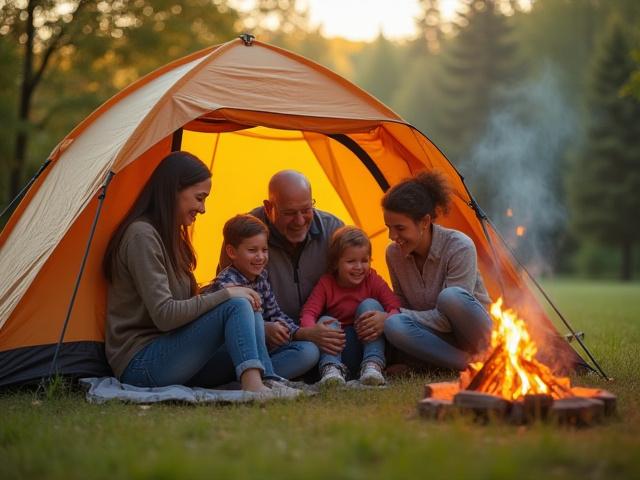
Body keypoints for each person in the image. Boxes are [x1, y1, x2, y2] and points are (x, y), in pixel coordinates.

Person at [103, 151, 298, 398]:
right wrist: (226, 294)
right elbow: (165, 315)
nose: (203, 209)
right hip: (142, 364)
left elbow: (186, 307)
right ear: (174, 190)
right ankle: (253, 387)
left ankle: (266, 379)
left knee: (252, 312)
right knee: (237, 303)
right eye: (199, 198)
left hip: (175, 351)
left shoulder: (173, 237)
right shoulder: (142, 236)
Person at [219, 170, 346, 361]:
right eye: (289, 213)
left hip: (323, 328)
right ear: (269, 207)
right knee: (306, 354)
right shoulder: (244, 235)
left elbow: (359, 280)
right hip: (269, 338)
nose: (300, 221)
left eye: (306, 210)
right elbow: (228, 303)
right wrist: (262, 327)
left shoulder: (333, 230)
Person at [381, 171, 493, 371]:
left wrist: (395, 313)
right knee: (393, 325)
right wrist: (388, 314)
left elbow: (448, 319)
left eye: (399, 228)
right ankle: (468, 365)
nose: (392, 236)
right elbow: (402, 304)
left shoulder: (459, 246)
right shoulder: (393, 254)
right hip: (440, 341)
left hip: (476, 335)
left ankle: (492, 357)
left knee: (451, 298)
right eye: (389, 227)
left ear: (424, 222)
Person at [206, 214, 319, 380]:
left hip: (261, 351)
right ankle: (265, 378)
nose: (260, 257)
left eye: (264, 250)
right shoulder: (225, 284)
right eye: (252, 250)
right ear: (231, 252)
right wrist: (265, 328)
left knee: (308, 351)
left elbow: (276, 313)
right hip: (229, 353)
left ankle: (249, 379)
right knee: (256, 316)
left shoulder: (261, 279)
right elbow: (228, 331)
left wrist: (291, 331)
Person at [299, 226, 401, 386]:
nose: (359, 267)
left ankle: (373, 366)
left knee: (370, 305)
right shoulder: (327, 283)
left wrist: (385, 319)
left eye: (364, 261)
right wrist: (313, 332)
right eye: (351, 261)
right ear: (335, 263)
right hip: (340, 349)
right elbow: (308, 313)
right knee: (326, 320)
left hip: (368, 345)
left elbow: (395, 306)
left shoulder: (372, 279)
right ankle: (331, 370)